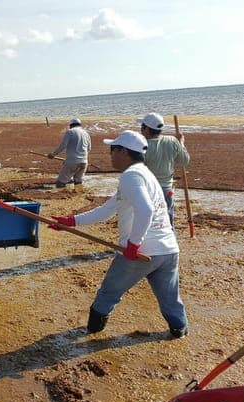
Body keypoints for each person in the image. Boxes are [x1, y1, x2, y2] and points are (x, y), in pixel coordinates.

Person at [49, 130, 188, 338]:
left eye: (112, 150)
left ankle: (91, 334)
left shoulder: (131, 176)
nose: (110, 155)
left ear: (124, 151)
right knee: (170, 299)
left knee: (108, 294)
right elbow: (107, 209)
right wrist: (72, 222)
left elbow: (146, 209)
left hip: (141, 252)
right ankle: (180, 332)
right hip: (168, 250)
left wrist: (134, 244)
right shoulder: (145, 174)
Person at [138, 113, 190, 227]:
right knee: (167, 219)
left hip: (149, 189)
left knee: (149, 221)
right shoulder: (172, 140)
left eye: (142, 127)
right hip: (167, 188)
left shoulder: (142, 146)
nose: (140, 129)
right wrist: (181, 143)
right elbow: (184, 160)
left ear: (146, 129)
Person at [47, 118, 91, 188]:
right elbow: (89, 149)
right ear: (80, 125)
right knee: (78, 182)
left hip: (72, 162)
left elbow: (63, 145)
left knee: (60, 183)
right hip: (84, 162)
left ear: (71, 125)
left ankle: (62, 196)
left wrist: (53, 154)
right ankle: (79, 196)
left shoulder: (70, 132)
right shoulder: (86, 133)